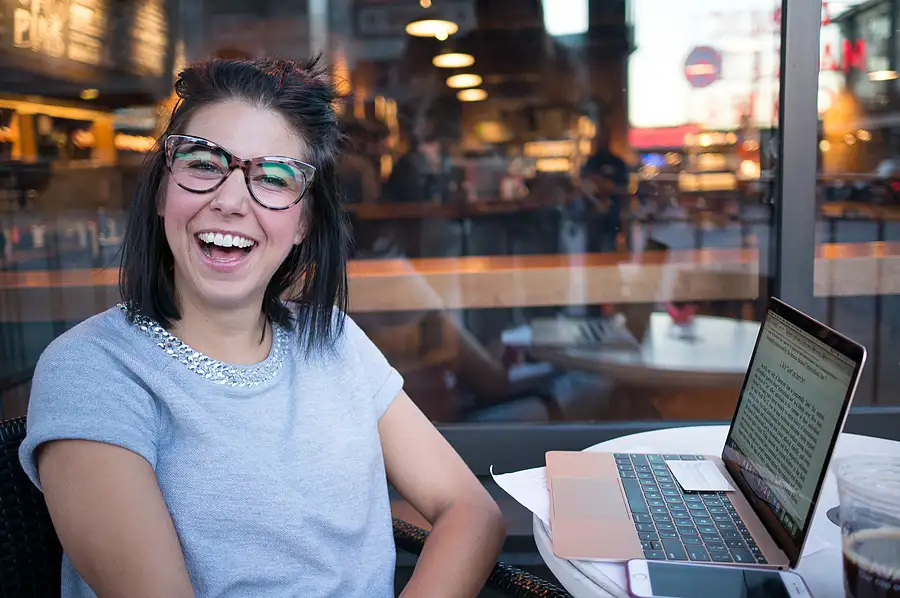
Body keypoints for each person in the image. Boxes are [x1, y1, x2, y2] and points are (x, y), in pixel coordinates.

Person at [18, 56, 505, 598]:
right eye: (203, 164)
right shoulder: (93, 369)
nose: (229, 201)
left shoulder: (334, 339)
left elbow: (469, 509)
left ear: (304, 222)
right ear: (161, 192)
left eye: (273, 177)